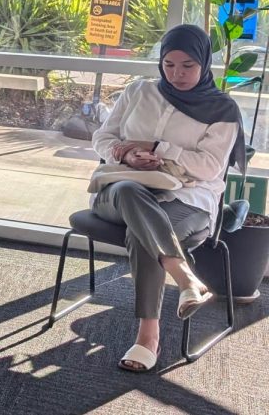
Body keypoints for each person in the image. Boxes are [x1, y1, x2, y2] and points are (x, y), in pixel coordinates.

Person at [90, 24, 241, 373]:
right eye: (169, 64)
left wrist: (159, 149)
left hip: (188, 198)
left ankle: (148, 337)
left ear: (204, 63)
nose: (177, 74)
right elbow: (102, 137)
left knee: (144, 234)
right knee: (131, 191)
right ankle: (185, 278)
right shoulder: (139, 91)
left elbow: (207, 167)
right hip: (119, 189)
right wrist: (126, 155)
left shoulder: (222, 110)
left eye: (187, 65)